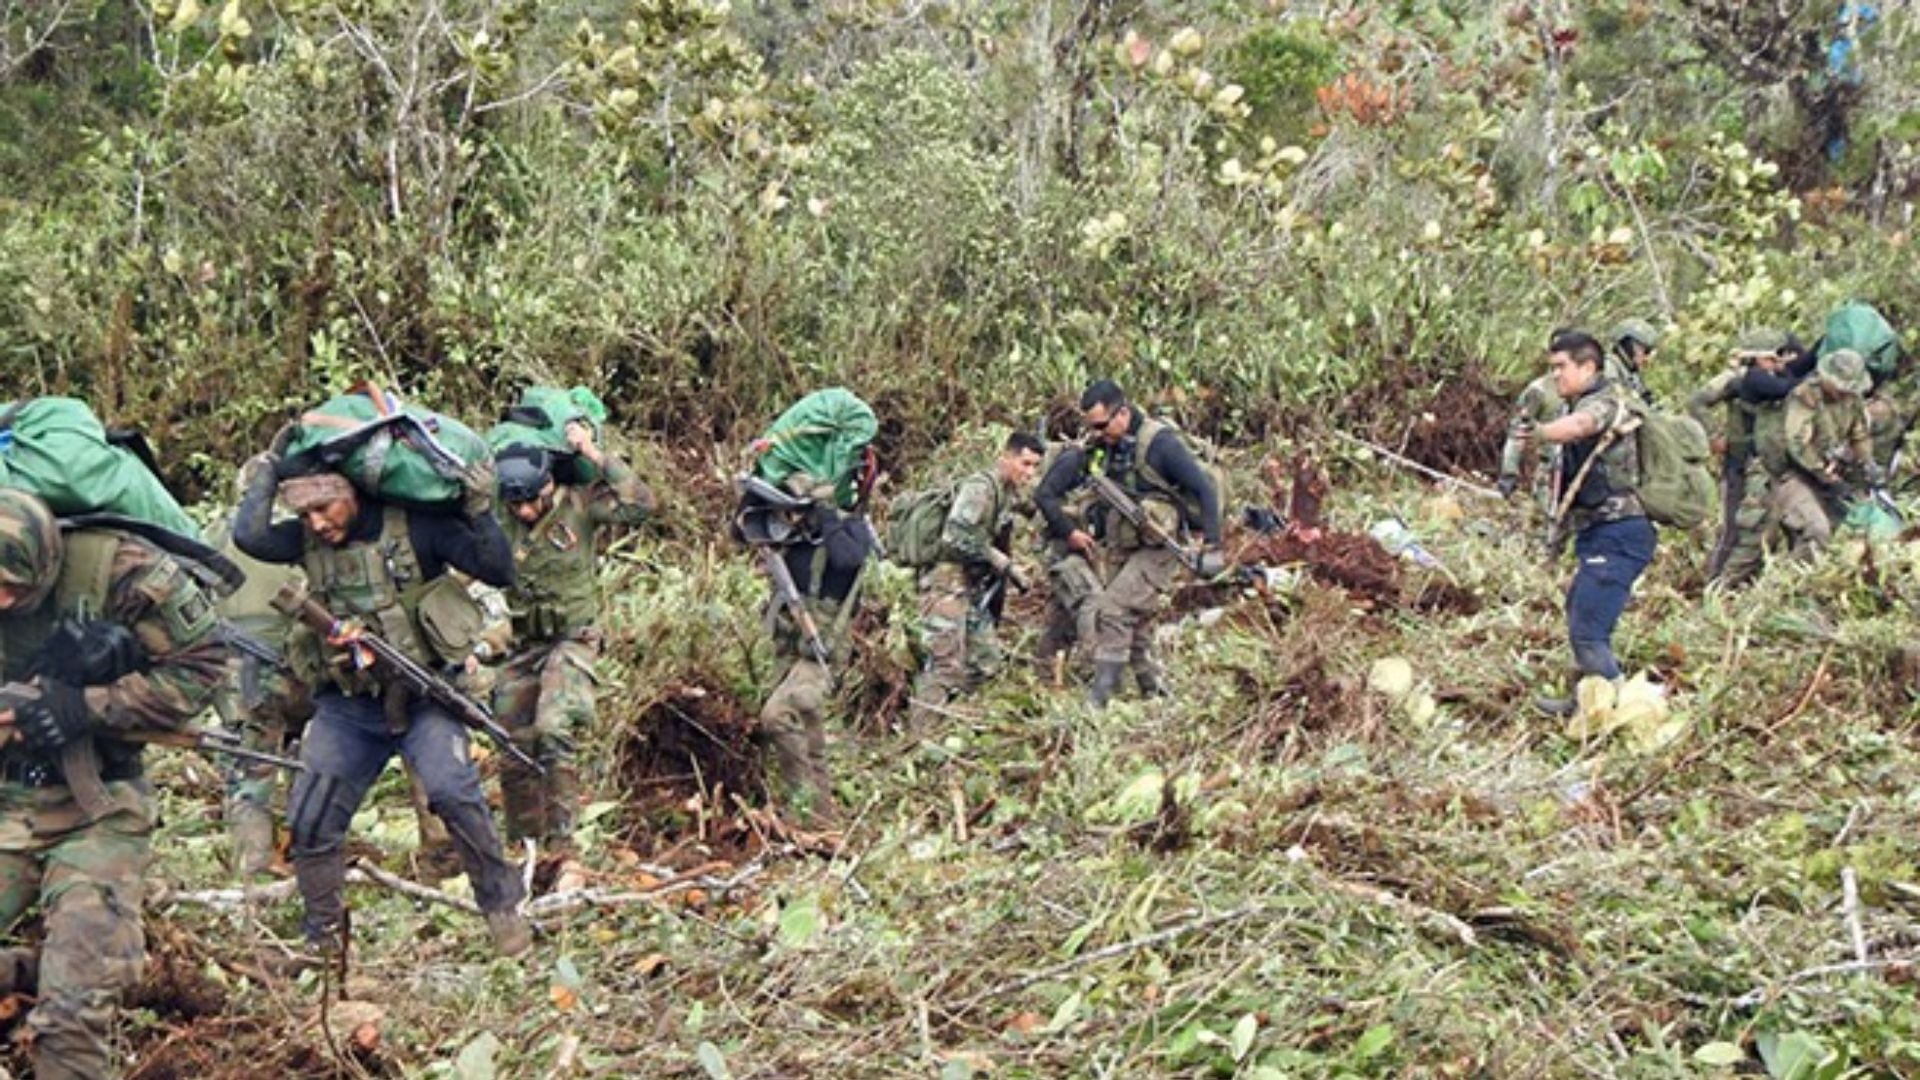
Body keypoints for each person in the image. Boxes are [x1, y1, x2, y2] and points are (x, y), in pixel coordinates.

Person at [233, 453, 531, 958]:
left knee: (453, 793)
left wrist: (481, 510)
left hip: (426, 696)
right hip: (349, 703)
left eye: (324, 508)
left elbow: (499, 570)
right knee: (311, 817)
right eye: (304, 514)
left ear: (353, 492)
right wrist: (263, 479)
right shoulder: (307, 541)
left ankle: (504, 910)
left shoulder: (416, 528)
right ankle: (323, 941)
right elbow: (251, 537)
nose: (317, 524)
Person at [0, 488, 226, 1078]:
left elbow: (205, 667)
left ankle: (63, 974)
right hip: (5, 804)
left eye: (10, 587)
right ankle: (28, 972)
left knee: (72, 1012)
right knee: (67, 973)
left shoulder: (119, 568)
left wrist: (87, 706)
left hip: (97, 810)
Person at [490, 422, 653, 855]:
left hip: (573, 639)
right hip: (524, 643)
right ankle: (525, 848)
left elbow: (640, 506)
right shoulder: (500, 514)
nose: (525, 511)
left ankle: (564, 846)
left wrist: (594, 453)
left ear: (548, 485)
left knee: (553, 726)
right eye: (516, 503)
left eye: (532, 500)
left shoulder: (580, 505)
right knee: (511, 738)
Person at [737, 389, 880, 824]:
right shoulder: (792, 532)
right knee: (807, 726)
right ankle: (820, 815)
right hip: (788, 642)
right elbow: (742, 530)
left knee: (780, 717)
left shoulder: (853, 527)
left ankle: (806, 811)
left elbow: (848, 559)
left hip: (822, 647)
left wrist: (825, 510)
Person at [1517, 331, 1656, 715]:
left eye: (1561, 367)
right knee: (1580, 609)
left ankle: (1623, 712)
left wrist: (1539, 433)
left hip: (1620, 534)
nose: (1555, 375)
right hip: (1599, 533)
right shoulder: (1577, 402)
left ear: (1588, 367)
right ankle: (1586, 702)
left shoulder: (1609, 402)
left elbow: (1581, 426)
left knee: (1589, 633)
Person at [1064, 380, 1223, 708]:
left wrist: (1213, 545)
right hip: (1124, 539)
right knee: (1136, 619)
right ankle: (1153, 688)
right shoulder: (1105, 444)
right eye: (1091, 426)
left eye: (1101, 425)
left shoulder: (1160, 445)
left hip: (1160, 545)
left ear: (1122, 414)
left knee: (1114, 608)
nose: (1096, 433)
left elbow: (1204, 489)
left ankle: (1102, 695)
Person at [907, 432, 1045, 729]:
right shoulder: (980, 488)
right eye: (1025, 464)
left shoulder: (1006, 491)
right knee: (945, 664)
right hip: (944, 584)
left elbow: (1032, 510)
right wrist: (1002, 562)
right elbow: (955, 536)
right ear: (1006, 458)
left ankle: (951, 719)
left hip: (968, 587)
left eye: (1035, 466)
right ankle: (920, 733)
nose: (1030, 473)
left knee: (987, 661)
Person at [208, 516, 314, 878]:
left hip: (238, 668)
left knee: (248, 770)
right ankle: (310, 854)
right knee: (308, 759)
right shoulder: (300, 528)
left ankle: (252, 872)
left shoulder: (219, 532)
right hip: (296, 665)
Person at [1688, 329, 1785, 579]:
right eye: (1771, 358)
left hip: (1765, 463)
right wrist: (1714, 435)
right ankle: (1716, 582)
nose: (1776, 363)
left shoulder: (1777, 380)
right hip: (1739, 460)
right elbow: (1697, 401)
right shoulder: (1735, 379)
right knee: (1734, 528)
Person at [1773, 348, 1879, 560]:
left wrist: (1868, 464)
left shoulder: (1852, 399)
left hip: (1831, 475)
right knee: (1817, 530)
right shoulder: (1806, 397)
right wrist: (1825, 474)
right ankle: (1789, 573)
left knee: (1857, 529)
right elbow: (1797, 444)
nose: (1844, 392)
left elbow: (1859, 435)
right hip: (1794, 475)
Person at [1606, 318, 1661, 405]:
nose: (1646, 358)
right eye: (1646, 351)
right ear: (1628, 345)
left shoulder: (1632, 374)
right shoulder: (1609, 368)